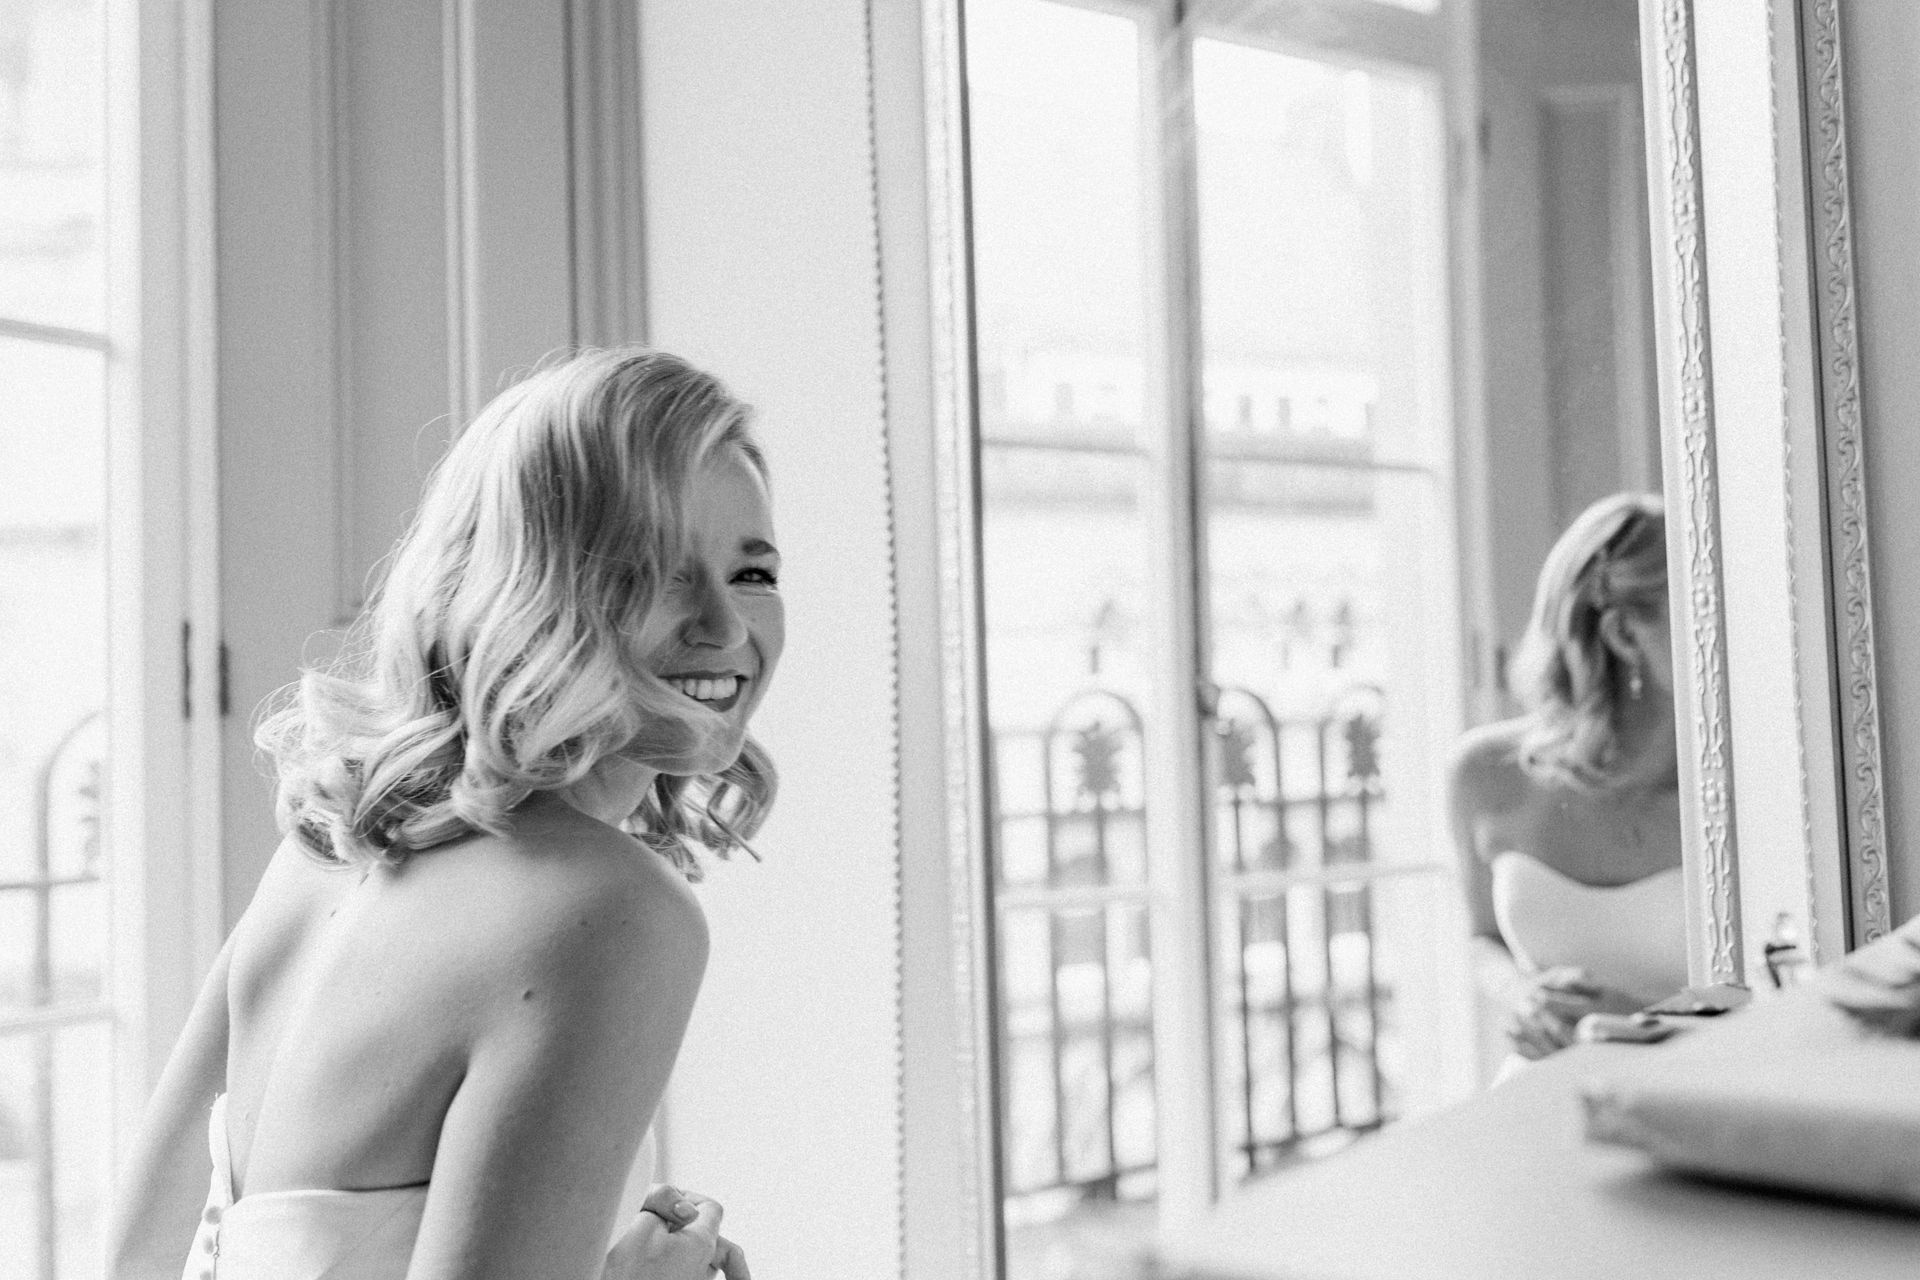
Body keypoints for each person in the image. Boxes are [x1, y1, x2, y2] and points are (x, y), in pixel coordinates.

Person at [107, 348, 777, 1279]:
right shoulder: (614, 909)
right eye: (659, 572)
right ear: (534, 590)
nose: (727, 627)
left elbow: (135, 1261)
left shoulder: (330, 849)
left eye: (752, 574)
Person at [1448, 492, 1687, 1067]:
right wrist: (1522, 996)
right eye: (1698, 602)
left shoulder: (1743, 785)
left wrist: (1651, 1022)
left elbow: (1794, 991)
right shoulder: (1483, 772)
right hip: (1537, 1092)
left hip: (1702, 1090)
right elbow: (1482, 937)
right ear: (1624, 635)